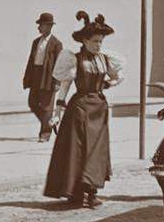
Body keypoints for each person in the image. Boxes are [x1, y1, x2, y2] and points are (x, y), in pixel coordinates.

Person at [43, 11, 125, 208]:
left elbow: (118, 76)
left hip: (99, 109)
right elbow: (64, 88)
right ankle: (76, 193)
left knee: (96, 151)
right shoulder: (74, 59)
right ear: (85, 41)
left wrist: (107, 85)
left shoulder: (103, 59)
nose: (99, 45)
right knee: (78, 151)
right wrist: (56, 114)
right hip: (79, 109)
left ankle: (92, 191)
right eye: (95, 41)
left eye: (100, 42)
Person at [22, 12, 63, 142]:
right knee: (32, 103)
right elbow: (30, 60)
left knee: (46, 106)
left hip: (48, 77)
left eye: (41, 25)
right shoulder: (35, 42)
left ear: (49, 26)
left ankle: (45, 134)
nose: (39, 27)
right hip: (36, 74)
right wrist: (27, 78)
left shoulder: (56, 43)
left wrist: (57, 82)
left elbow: (59, 64)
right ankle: (50, 122)